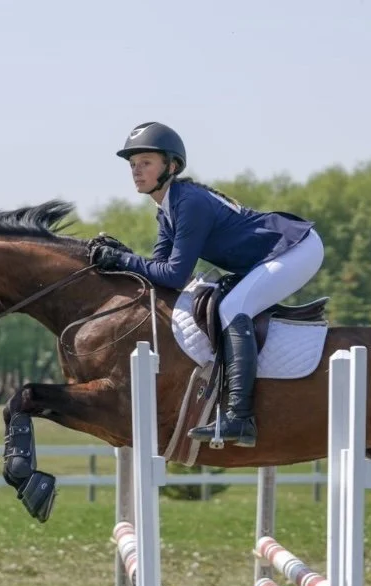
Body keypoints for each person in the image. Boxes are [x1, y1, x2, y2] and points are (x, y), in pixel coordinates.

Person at [89, 121, 325, 448]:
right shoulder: (168, 211)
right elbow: (161, 273)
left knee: (232, 308)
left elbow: (173, 274)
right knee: (228, 304)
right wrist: (124, 258)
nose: (136, 171)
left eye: (145, 163)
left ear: (171, 166)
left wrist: (124, 260)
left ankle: (239, 418)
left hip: (296, 248)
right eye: (132, 165)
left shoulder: (189, 203)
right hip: (273, 254)